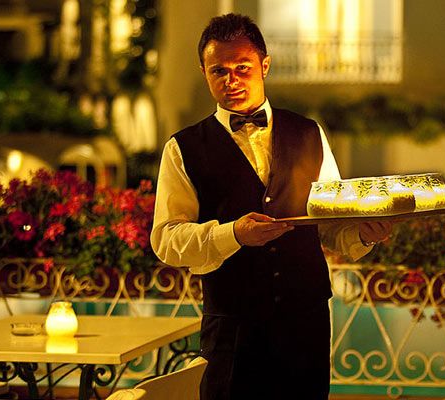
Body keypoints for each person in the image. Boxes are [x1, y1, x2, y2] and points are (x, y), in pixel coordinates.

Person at [150, 13, 392, 399]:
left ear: (265, 65)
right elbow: (166, 239)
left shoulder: (309, 133)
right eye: (219, 71)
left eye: (242, 68)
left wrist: (364, 234)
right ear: (204, 72)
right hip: (233, 328)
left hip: (306, 323)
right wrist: (233, 234)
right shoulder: (182, 148)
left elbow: (330, 222)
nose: (231, 80)